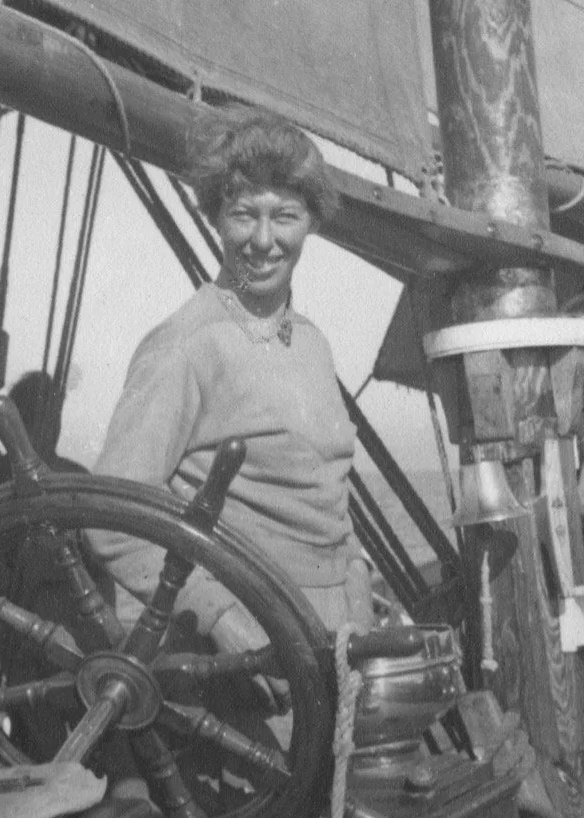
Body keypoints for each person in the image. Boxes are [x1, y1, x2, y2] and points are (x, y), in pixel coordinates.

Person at [88, 105, 373, 662]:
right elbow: (111, 519)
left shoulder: (313, 344)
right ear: (216, 218)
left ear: (312, 222)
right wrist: (217, 616)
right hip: (243, 652)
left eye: (284, 216)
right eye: (244, 215)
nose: (263, 240)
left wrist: (358, 592)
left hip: (337, 643)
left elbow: (329, 496)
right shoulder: (186, 345)